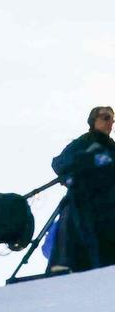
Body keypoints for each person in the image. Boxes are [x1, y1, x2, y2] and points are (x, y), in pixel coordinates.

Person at [47, 106, 115, 273]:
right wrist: (88, 160)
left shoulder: (112, 148)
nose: (110, 123)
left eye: (112, 120)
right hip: (83, 204)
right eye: (105, 118)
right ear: (94, 120)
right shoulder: (83, 142)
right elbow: (60, 163)